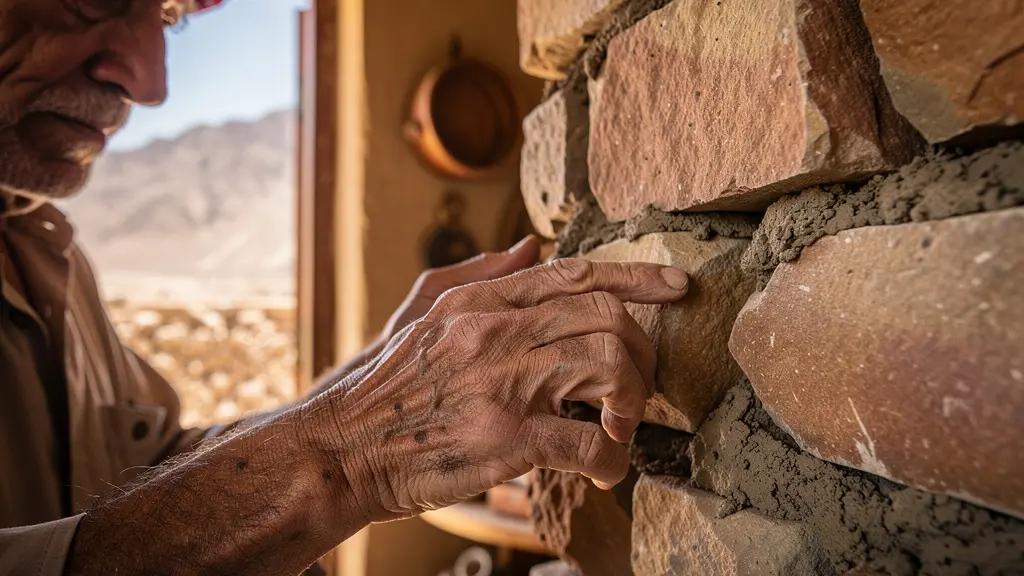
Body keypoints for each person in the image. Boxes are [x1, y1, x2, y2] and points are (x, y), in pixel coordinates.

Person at [0, 0, 690, 574]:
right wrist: (346, 454)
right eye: (95, 1)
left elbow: (145, 482)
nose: (150, 82)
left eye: (169, 16)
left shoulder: (42, 251)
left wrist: (372, 378)